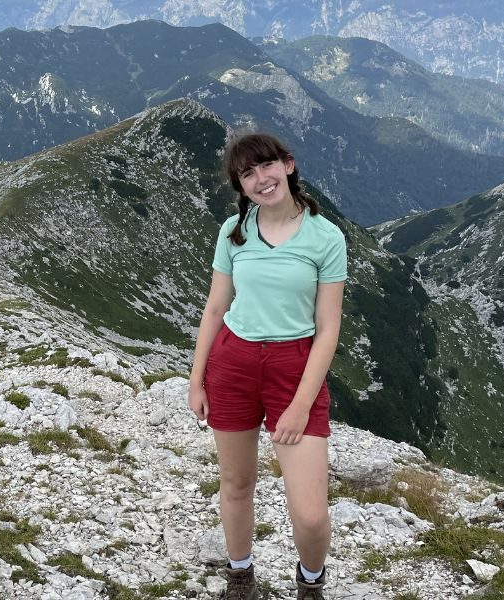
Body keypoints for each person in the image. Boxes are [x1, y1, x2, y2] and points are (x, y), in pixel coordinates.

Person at [187, 133, 347, 600]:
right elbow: (215, 309)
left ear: (289, 165)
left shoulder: (326, 236)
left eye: (267, 166)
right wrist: (197, 379)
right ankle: (241, 576)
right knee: (236, 483)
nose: (261, 179)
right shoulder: (233, 231)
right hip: (233, 363)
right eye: (248, 173)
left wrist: (299, 406)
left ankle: (311, 582)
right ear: (241, 184)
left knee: (312, 512)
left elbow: (328, 329)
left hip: (293, 367)